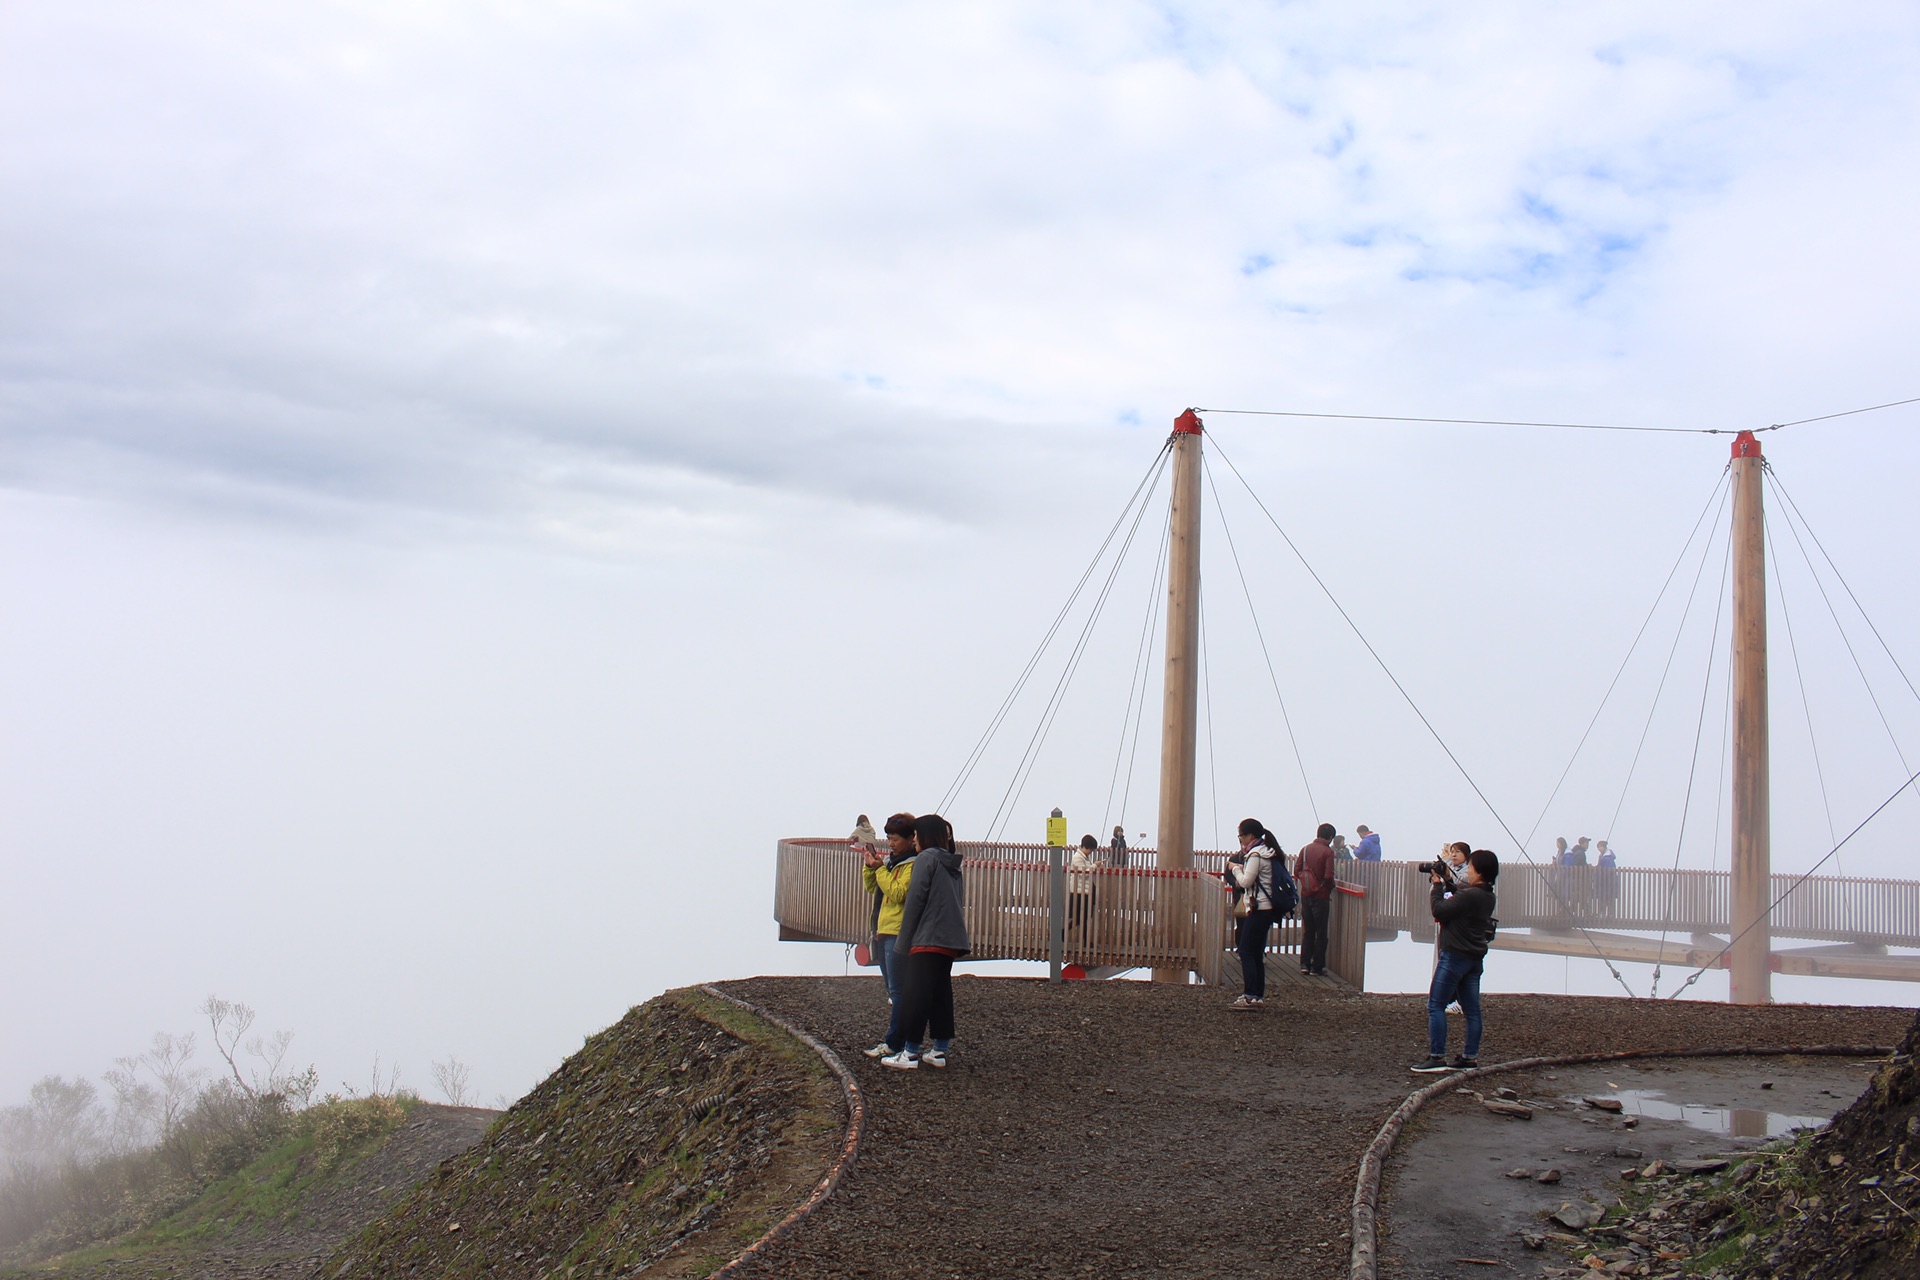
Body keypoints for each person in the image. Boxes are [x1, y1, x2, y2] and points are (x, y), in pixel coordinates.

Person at [882, 814, 969, 1070]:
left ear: (925, 836)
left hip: (927, 937)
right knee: (940, 993)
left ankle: (909, 1053)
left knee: (915, 994)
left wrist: (903, 942)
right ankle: (939, 1051)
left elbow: (915, 900)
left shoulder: (926, 859)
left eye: (917, 836)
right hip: (949, 939)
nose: (915, 841)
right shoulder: (952, 863)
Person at [1411, 849, 1499, 1073]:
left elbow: (1439, 909)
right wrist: (1449, 881)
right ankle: (1469, 1058)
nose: (1468, 871)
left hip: (1455, 956)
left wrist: (1437, 886)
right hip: (1474, 959)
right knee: (1472, 1011)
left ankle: (1437, 1056)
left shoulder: (1471, 895)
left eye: (1471, 867)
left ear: (1479, 872)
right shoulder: (1487, 895)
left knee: (1435, 1005)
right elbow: (1462, 897)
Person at [860, 813, 918, 1060]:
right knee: (893, 990)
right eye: (888, 838)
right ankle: (899, 1041)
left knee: (898, 990)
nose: (891, 843)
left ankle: (895, 1043)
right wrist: (869, 867)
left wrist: (880, 868)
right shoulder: (893, 862)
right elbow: (873, 888)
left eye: (894, 839)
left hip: (897, 931)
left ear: (910, 839)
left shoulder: (911, 864)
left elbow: (897, 893)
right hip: (883, 930)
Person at [1225, 818, 1290, 1010]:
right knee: (1256, 951)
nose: (1240, 839)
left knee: (1246, 951)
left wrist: (1235, 868)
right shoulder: (1269, 853)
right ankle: (1257, 996)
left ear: (1249, 836)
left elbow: (1245, 882)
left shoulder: (1255, 855)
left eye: (1241, 836)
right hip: (1268, 908)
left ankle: (1249, 995)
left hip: (1259, 908)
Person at [1296, 822, 1337, 978]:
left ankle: (1304, 964)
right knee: (1321, 932)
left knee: (1308, 930)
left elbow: (1297, 870)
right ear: (1331, 837)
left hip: (1306, 895)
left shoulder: (1305, 849)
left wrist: (1308, 883)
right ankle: (1317, 967)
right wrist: (1327, 887)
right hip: (1321, 897)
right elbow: (1328, 876)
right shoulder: (1328, 852)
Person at [1069, 834, 1098, 933]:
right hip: (1079, 891)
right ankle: (1063, 933)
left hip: (1085, 890)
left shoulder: (1084, 857)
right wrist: (1094, 866)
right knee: (1080, 916)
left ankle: (1085, 940)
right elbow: (1083, 874)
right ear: (1085, 847)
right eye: (1091, 850)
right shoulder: (1078, 858)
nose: (1091, 852)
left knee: (1085, 916)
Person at [1595, 839, 1618, 917]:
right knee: (1603, 897)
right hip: (1604, 882)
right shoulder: (1603, 857)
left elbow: (1608, 871)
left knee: (1608, 897)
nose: (1598, 849)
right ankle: (1603, 913)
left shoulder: (1608, 858)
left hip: (1608, 882)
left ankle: (1608, 914)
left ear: (1603, 847)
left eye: (1599, 847)